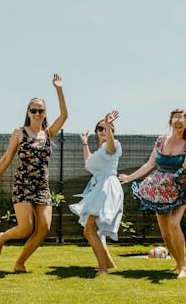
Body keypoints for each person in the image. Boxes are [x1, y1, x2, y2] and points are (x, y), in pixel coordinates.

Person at [0, 74, 68, 273]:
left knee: (44, 228)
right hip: (23, 184)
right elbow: (6, 158)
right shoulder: (19, 133)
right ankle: (3, 237)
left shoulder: (49, 134)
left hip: (42, 186)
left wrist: (58, 89)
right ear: (28, 112)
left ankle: (20, 263)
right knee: (26, 228)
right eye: (33, 110)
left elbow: (65, 116)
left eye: (40, 110)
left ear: (44, 113)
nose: (37, 113)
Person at [118, 108, 186, 279]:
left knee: (174, 224)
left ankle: (183, 268)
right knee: (165, 234)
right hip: (160, 190)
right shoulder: (161, 140)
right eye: (175, 118)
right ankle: (177, 262)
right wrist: (129, 177)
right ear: (170, 121)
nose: (179, 121)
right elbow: (150, 164)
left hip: (180, 186)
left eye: (182, 119)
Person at [69, 110, 123, 275]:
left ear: (112, 130)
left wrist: (108, 124)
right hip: (98, 187)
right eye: (99, 128)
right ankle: (110, 266)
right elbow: (88, 163)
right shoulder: (98, 153)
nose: (103, 131)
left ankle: (103, 269)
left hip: (107, 188)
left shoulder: (112, 146)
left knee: (89, 229)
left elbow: (112, 148)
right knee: (94, 231)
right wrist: (85, 143)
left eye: (106, 128)